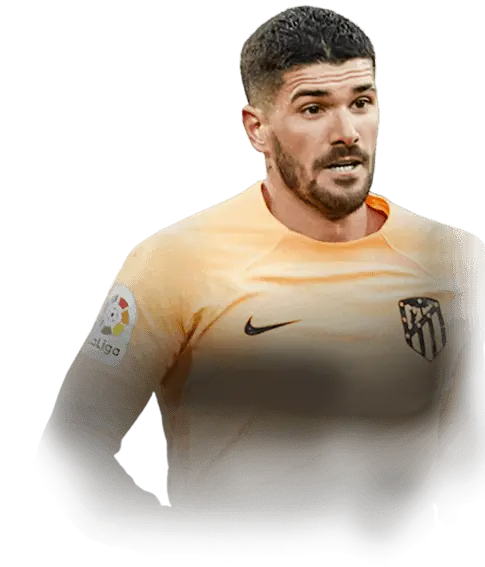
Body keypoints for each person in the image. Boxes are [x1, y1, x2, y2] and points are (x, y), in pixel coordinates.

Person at [35, 5, 484, 561]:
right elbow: (77, 437)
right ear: (257, 129)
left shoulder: (458, 260)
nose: (347, 133)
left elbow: (465, 441)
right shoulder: (175, 260)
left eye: (362, 103)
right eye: (313, 108)